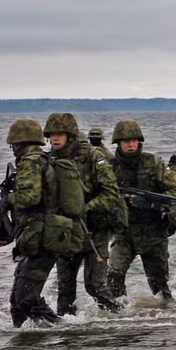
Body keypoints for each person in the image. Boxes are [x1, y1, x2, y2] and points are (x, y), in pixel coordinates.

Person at [0, 119, 72, 327]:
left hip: (41, 237)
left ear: (17, 143)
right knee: (18, 301)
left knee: (25, 299)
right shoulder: (43, 159)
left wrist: (8, 199)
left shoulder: (30, 161)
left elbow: (29, 198)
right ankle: (28, 344)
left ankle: (61, 330)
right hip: (38, 236)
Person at [45, 112, 124, 315]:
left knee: (95, 285)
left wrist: (87, 207)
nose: (55, 138)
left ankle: (120, 319)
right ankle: (65, 329)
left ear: (70, 135)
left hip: (94, 231)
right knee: (65, 289)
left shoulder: (92, 156)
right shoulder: (49, 160)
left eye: (60, 134)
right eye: (52, 134)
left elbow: (111, 193)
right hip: (66, 232)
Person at [107, 120, 176, 304]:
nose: (131, 145)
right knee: (113, 274)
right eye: (126, 141)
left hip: (153, 231)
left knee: (159, 286)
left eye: (134, 141)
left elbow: (174, 191)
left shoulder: (153, 162)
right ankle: (119, 311)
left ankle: (168, 318)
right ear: (118, 143)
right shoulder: (109, 166)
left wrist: (153, 203)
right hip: (124, 231)